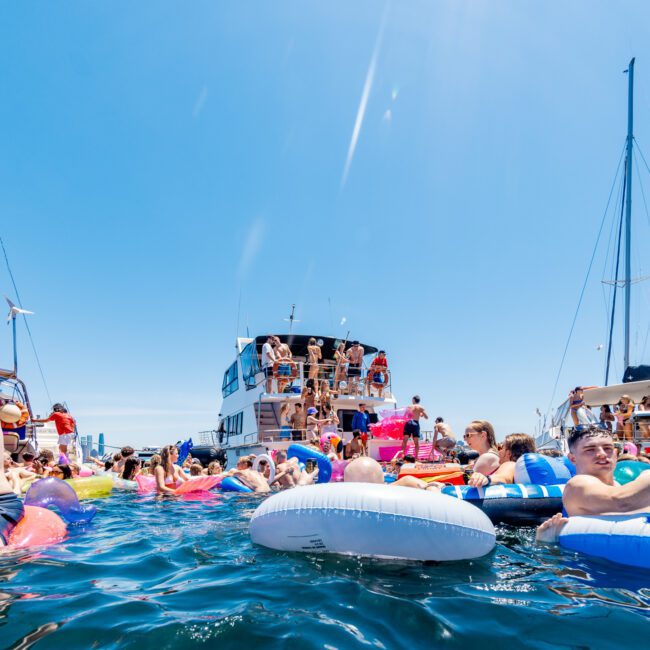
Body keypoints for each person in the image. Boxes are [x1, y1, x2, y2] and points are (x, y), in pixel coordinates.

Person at [536, 425, 650, 543]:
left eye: (608, 448)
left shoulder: (622, 485)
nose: (602, 454)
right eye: (590, 449)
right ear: (572, 458)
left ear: (616, 455)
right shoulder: (577, 485)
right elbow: (622, 502)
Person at [468, 433, 536, 487]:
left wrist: (486, 479)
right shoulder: (521, 469)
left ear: (508, 453)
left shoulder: (510, 464)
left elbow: (504, 478)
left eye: (501, 447)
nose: (498, 451)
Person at [401, 396, 428, 460]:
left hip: (409, 422)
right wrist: (421, 414)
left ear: (413, 400)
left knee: (405, 440)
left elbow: (405, 416)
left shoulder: (409, 406)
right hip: (416, 423)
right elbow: (426, 417)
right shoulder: (421, 407)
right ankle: (416, 457)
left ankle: (402, 455)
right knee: (416, 441)